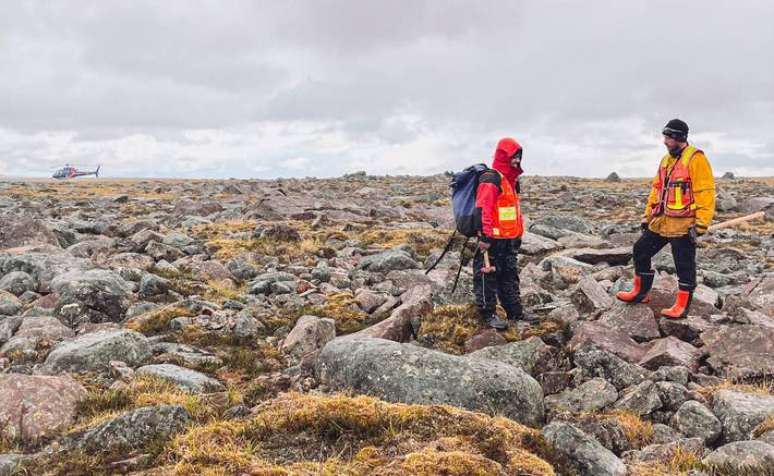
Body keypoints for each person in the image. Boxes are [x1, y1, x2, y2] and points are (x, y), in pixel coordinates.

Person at [617, 119, 716, 318]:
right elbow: (656, 190)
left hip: (683, 224)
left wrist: (702, 224)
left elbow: (705, 192)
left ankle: (682, 306)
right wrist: (647, 217)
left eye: (668, 137)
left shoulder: (696, 159)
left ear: (679, 138)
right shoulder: (665, 160)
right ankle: (640, 292)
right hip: (661, 221)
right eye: (665, 136)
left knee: (684, 264)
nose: (665, 141)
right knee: (641, 250)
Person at [473, 137, 529, 329]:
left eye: (519, 157)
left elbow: (512, 211)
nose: (517, 161)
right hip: (492, 240)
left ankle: (515, 312)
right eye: (514, 156)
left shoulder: (511, 181)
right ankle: (487, 314)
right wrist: (485, 236)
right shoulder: (491, 178)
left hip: (509, 239)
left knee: (510, 276)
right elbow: (483, 209)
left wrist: (518, 233)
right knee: (486, 277)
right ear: (503, 155)